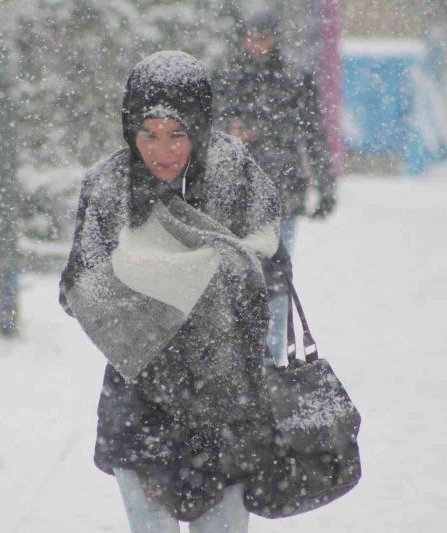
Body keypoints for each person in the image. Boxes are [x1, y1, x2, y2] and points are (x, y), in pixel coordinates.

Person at [59, 51, 286, 532]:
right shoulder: (108, 187)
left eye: (177, 134)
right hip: (141, 399)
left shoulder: (235, 176)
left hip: (224, 405)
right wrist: (157, 296)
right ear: (129, 128)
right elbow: (78, 288)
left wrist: (175, 278)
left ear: (200, 127)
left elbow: (266, 273)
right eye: (149, 134)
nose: (162, 151)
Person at [214, 10, 336, 366]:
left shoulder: (293, 80)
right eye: (251, 37)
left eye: (263, 37)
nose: (257, 45)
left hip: (282, 194)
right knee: (236, 280)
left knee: (276, 280)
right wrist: (232, 132)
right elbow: (206, 132)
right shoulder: (226, 79)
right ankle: (242, 360)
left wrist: (325, 187)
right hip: (233, 198)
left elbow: (313, 136)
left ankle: (269, 361)